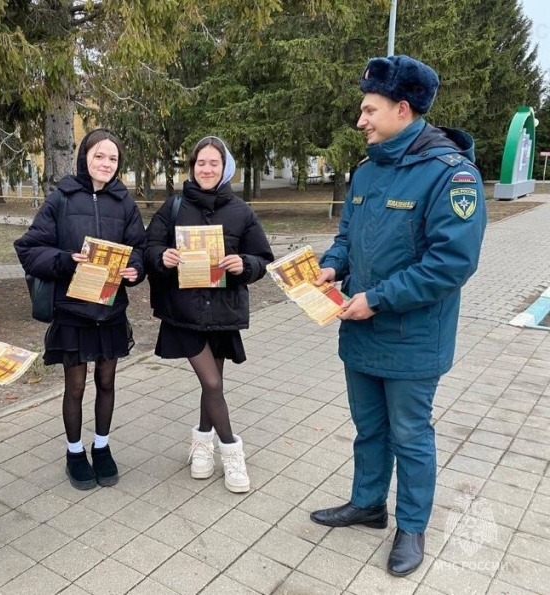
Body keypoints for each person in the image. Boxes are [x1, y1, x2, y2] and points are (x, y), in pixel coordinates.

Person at [309, 55, 487, 577]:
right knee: (368, 429)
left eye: (369, 109)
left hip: (411, 337)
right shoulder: (368, 169)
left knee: (410, 436)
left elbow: (451, 262)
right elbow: (348, 236)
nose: (360, 120)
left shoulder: (450, 175)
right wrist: (331, 265)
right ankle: (368, 504)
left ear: (402, 109)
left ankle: (412, 527)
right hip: (359, 330)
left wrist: (378, 298)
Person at [15, 129, 146, 490]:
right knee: (75, 387)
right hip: (73, 311)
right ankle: (74, 452)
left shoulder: (125, 203)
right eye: (99, 156)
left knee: (107, 381)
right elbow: (28, 249)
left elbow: (139, 248)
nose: (105, 164)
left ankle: (101, 447)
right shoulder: (61, 199)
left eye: (113, 158)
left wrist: (136, 269)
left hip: (110, 311)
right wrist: (65, 260)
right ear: (84, 156)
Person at [144, 136, 273, 493]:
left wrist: (244, 263)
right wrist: (162, 258)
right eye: (201, 162)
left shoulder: (241, 212)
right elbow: (148, 247)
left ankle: (202, 441)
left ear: (225, 168)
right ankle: (232, 451)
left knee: (210, 385)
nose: (207, 169)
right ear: (192, 167)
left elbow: (262, 258)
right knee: (213, 383)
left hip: (222, 312)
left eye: (214, 163)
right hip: (183, 312)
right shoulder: (173, 207)